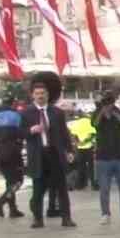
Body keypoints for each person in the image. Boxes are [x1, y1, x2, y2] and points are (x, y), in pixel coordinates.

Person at [22, 71, 76, 229]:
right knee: (38, 189)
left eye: (43, 93)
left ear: (47, 94)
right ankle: (38, 219)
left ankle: (66, 218)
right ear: (32, 95)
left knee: (61, 188)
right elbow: (19, 133)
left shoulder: (57, 112)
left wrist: (70, 150)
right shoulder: (26, 113)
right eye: (37, 93)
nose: (40, 96)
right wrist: (31, 130)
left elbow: (64, 133)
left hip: (55, 154)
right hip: (38, 155)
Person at [92, 89, 120, 225]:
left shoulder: (118, 112)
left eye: (109, 101)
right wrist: (103, 111)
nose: (107, 104)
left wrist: (113, 110)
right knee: (104, 188)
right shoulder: (97, 114)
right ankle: (105, 214)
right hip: (103, 158)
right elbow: (95, 123)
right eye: (106, 101)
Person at [0, 96, 26, 220]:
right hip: (13, 152)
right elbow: (23, 133)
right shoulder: (16, 116)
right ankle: (0, 201)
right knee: (18, 181)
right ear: (13, 104)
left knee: (9, 181)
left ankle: (13, 210)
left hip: (0, 152)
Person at [68, 107, 96, 191]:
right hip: (89, 147)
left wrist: (78, 143)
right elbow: (93, 134)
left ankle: (81, 184)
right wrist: (86, 141)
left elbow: (73, 135)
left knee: (81, 167)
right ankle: (94, 184)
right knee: (91, 167)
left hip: (80, 148)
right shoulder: (91, 122)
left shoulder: (76, 123)